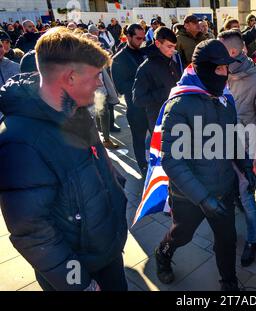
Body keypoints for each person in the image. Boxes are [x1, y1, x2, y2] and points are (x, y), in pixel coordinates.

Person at [0, 27, 128, 291]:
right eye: (95, 77)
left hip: (105, 252)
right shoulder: (19, 142)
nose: (99, 84)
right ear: (70, 77)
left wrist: (117, 185)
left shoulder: (78, 111)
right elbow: (33, 233)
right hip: (80, 271)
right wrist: (80, 284)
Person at [154, 39, 256, 291]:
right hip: (190, 196)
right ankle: (162, 253)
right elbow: (171, 160)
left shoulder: (224, 99)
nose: (226, 74)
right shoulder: (180, 105)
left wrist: (245, 166)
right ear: (204, 68)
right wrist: (203, 199)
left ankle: (229, 282)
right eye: (220, 68)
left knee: (227, 239)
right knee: (181, 236)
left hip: (223, 187)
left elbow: (232, 137)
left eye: (226, 68)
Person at [219, 30, 256, 267]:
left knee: (247, 199)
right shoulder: (220, 74)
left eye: (219, 50)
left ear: (233, 52)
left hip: (246, 153)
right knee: (225, 197)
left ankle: (251, 242)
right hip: (220, 148)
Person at [111, 24, 149, 175]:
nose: (141, 41)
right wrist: (141, 82)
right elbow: (119, 88)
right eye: (138, 38)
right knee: (139, 140)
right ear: (128, 36)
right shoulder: (118, 59)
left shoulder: (145, 52)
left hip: (152, 105)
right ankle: (144, 168)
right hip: (135, 108)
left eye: (143, 38)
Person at [132, 27, 181, 133]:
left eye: (174, 47)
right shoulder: (146, 67)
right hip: (159, 122)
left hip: (176, 117)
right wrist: (165, 92)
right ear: (158, 44)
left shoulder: (171, 61)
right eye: (169, 46)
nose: (173, 51)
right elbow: (138, 99)